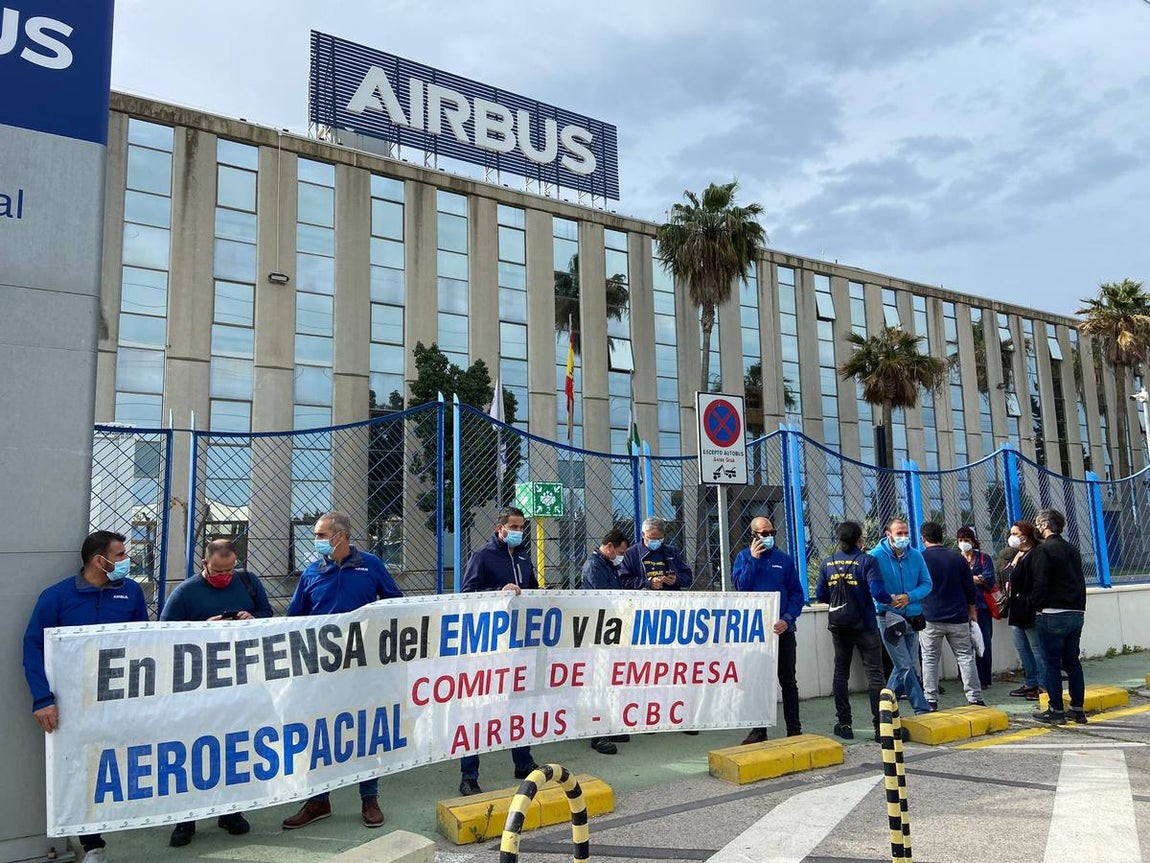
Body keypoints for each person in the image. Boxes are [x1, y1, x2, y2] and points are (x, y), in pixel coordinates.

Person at [23, 531, 149, 863]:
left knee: (120, 762)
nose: (126, 561)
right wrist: (42, 699)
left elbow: (144, 642)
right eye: (120, 555)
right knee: (79, 767)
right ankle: (93, 844)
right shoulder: (56, 597)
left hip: (118, 699)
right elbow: (33, 647)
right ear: (98, 560)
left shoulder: (131, 592)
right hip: (71, 703)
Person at [281, 511, 403, 830]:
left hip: (364, 668)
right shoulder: (311, 572)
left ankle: (369, 798)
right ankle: (319, 799)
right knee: (320, 732)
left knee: (364, 731)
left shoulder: (371, 565)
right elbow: (296, 618)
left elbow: (396, 604)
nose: (317, 540)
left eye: (322, 535)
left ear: (342, 536)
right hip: (322, 672)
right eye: (317, 535)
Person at [159, 538, 272, 846]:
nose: (226, 575)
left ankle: (229, 810)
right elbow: (163, 633)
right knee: (194, 748)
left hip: (240, 681)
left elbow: (267, 614)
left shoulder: (247, 582)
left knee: (234, 745)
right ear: (204, 564)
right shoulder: (185, 592)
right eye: (219, 570)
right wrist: (202, 627)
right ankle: (186, 818)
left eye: (231, 568)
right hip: (197, 685)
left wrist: (252, 619)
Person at [458, 507, 540, 794]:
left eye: (522, 526)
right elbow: (467, 595)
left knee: (520, 703)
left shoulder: (524, 557)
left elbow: (532, 592)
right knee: (478, 708)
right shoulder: (483, 556)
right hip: (489, 647)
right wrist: (498, 591)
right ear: (500, 527)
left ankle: (523, 762)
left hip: (519, 644)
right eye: (514, 526)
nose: (518, 531)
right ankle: (469, 775)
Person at [815, 521, 892, 742]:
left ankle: (844, 723)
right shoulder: (868, 561)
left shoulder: (828, 563)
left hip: (839, 625)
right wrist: (892, 600)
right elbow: (878, 591)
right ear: (860, 539)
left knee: (841, 673)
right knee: (875, 675)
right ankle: (880, 727)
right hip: (865, 624)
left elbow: (821, 595)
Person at [733, 516, 804, 743]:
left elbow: (796, 594)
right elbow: (741, 588)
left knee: (788, 681)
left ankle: (794, 729)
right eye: (763, 533)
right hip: (756, 633)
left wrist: (787, 618)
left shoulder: (783, 560)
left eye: (771, 532)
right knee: (757, 681)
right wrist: (753, 560)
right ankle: (758, 730)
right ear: (753, 535)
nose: (768, 536)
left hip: (783, 630)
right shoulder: (744, 557)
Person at [868, 518, 934, 716]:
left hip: (913, 617)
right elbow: (871, 588)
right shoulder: (875, 556)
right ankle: (921, 707)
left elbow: (927, 583)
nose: (904, 537)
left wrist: (909, 597)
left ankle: (885, 708)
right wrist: (888, 601)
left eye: (906, 533)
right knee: (905, 665)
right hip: (889, 617)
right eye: (899, 533)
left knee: (906, 665)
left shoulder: (915, 556)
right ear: (888, 535)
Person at [1028, 509, 1087, 725]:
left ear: (1044, 525)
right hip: (1076, 611)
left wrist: (1036, 605)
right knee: (1072, 661)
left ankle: (1056, 710)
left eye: (1038, 523)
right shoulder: (1072, 549)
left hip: (1052, 612)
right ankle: (1077, 709)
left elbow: (1040, 582)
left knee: (1051, 662)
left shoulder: (1044, 551)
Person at [579, 528, 633, 754]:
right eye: (619, 551)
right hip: (599, 632)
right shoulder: (594, 567)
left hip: (610, 630)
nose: (621, 556)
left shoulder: (608, 566)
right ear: (609, 546)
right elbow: (606, 598)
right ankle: (597, 733)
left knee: (611, 680)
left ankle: (608, 726)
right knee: (598, 683)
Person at [919, 522, 983, 709]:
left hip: (930, 616)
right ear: (942, 537)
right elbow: (969, 588)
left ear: (924, 539)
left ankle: (930, 700)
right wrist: (971, 610)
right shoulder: (957, 558)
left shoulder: (920, 558)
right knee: (965, 657)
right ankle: (975, 698)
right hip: (958, 616)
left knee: (930, 659)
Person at [1001, 520, 1045, 699]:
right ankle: (1030, 681)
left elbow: (1038, 582)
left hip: (1029, 607)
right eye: (1011, 534)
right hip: (1016, 608)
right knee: (1022, 647)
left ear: (1025, 536)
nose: (1012, 537)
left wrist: (1033, 604)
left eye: (1015, 534)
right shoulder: (1017, 555)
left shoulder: (1035, 554)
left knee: (1036, 648)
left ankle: (1043, 685)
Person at [956, 526, 996, 689]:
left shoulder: (983, 559)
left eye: (967, 540)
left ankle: (984, 679)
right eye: (960, 540)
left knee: (983, 642)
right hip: (960, 607)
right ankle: (965, 678)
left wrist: (967, 578)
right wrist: (975, 578)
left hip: (982, 607)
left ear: (973, 541)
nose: (964, 543)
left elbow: (988, 579)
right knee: (962, 645)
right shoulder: (956, 559)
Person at [619, 516, 694, 591]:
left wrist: (676, 580)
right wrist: (648, 583)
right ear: (643, 534)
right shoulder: (632, 553)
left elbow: (688, 577)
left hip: (669, 598)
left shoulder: (672, 552)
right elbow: (623, 580)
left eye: (659, 539)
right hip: (643, 599)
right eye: (651, 538)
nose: (656, 541)